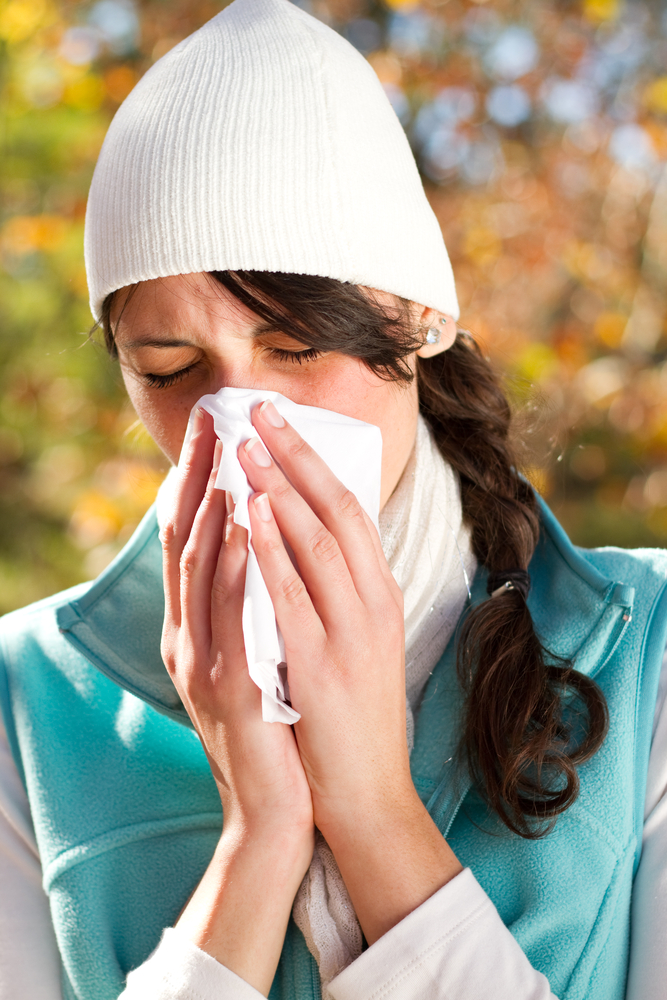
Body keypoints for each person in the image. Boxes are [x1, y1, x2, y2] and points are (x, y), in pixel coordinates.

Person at [1, 1, 666, 999]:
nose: (240, 414)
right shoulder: (29, 702)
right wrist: (258, 837)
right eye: (171, 365)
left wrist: (369, 807)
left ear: (421, 318)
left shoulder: (645, 648)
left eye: (298, 346)